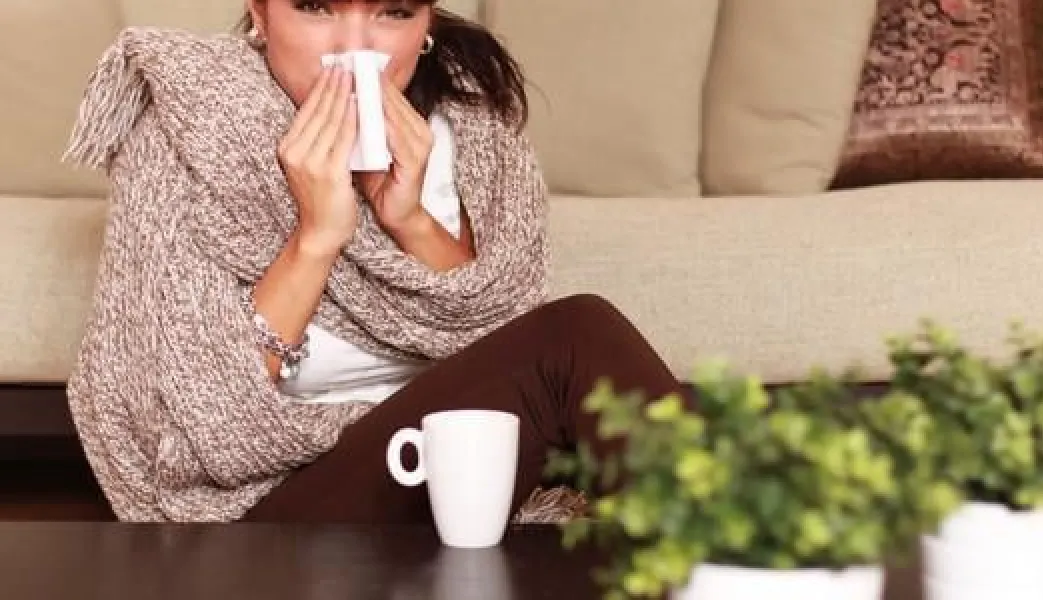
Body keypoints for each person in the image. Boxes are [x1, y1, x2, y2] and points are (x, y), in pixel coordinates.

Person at [62, 0, 682, 523]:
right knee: (582, 336)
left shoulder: (476, 133)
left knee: (664, 411)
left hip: (447, 475)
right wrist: (317, 237)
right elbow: (192, 423)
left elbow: (508, 354)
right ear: (260, 12)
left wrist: (409, 220)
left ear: (426, 24)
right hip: (268, 511)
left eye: (392, 12)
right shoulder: (187, 129)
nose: (354, 49)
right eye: (315, 7)